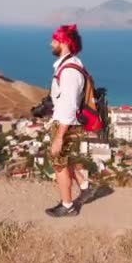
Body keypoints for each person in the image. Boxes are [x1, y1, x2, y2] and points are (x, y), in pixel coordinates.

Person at [45, 24, 95, 217]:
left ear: (64, 42)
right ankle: (85, 185)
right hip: (68, 123)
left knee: (60, 165)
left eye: (54, 40)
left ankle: (68, 206)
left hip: (67, 125)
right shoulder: (70, 65)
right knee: (66, 160)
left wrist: (59, 136)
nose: (51, 43)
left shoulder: (69, 71)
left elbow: (69, 105)